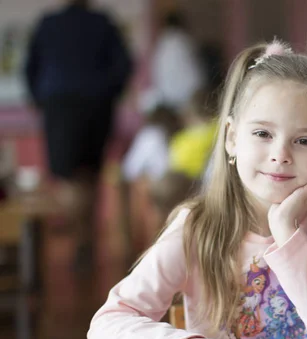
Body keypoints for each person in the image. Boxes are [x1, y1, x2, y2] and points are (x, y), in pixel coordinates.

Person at [88, 40, 307, 339]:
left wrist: (286, 230)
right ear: (232, 138)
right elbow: (107, 325)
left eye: (305, 140)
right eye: (263, 133)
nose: (281, 154)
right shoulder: (197, 226)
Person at [24, 0, 132, 268]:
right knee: (91, 175)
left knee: (66, 176)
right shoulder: (103, 22)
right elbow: (124, 65)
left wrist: (42, 98)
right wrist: (107, 93)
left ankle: (80, 239)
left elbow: (30, 68)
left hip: (59, 104)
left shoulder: (48, 24)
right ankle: (86, 239)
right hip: (97, 104)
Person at [151, 11, 206, 111]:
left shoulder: (161, 45)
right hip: (188, 94)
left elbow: (157, 72)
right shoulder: (184, 41)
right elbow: (194, 69)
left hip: (168, 95)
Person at [122, 105, 182, 183]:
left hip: (159, 183)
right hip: (149, 183)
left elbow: (130, 169)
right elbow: (130, 170)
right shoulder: (151, 135)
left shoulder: (150, 134)